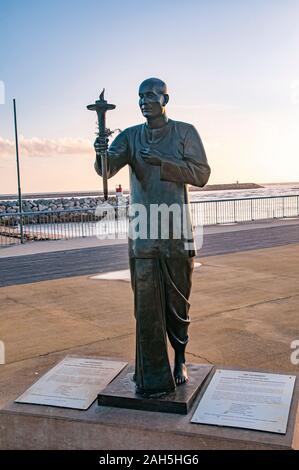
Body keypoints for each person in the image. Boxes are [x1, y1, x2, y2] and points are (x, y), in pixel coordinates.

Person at [94, 77, 211, 396]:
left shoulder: (184, 132)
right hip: (143, 233)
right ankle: (152, 372)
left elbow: (202, 174)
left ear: (165, 99)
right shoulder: (131, 136)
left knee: (178, 301)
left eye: (150, 95)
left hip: (176, 230)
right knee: (146, 305)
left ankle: (181, 359)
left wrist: (164, 162)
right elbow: (107, 170)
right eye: (140, 97)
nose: (144, 101)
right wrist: (100, 152)